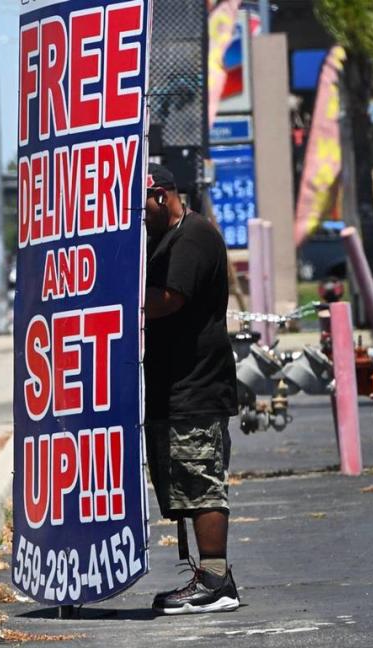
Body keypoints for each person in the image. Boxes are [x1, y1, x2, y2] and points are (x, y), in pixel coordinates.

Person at [143, 163, 240, 615]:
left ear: (162, 196)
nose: (138, 218)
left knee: (201, 482)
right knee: (182, 482)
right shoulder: (162, 238)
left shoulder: (193, 236)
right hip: (171, 384)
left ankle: (217, 581)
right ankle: (208, 577)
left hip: (197, 384)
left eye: (141, 208)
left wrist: (119, 305)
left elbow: (171, 298)